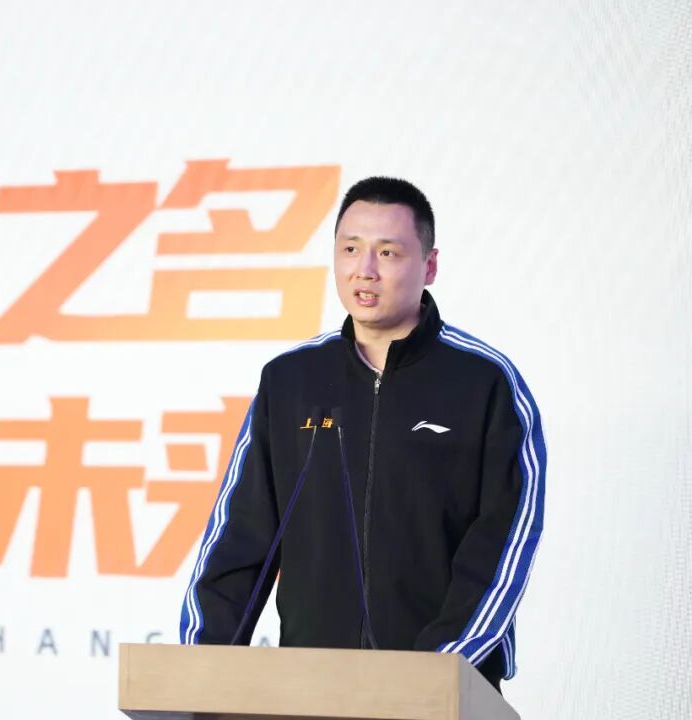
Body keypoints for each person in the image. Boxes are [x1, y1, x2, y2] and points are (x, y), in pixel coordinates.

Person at [179, 176, 546, 690]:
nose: (364, 269)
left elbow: (503, 544)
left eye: (388, 252)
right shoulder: (290, 380)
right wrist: (198, 669)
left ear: (430, 266)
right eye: (350, 249)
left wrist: (437, 669)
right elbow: (239, 538)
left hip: (442, 691)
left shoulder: (485, 383)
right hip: (310, 686)